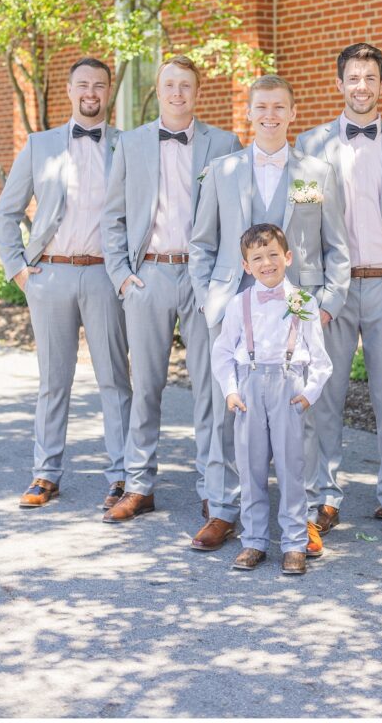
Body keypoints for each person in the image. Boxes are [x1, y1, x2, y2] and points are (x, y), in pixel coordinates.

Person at [189, 74, 350, 553]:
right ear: (249, 112)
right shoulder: (223, 169)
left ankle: (303, 518)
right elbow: (201, 244)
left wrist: (324, 306)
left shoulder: (317, 173)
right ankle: (223, 510)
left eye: (279, 107)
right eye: (262, 107)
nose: (270, 115)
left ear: (292, 113)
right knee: (224, 409)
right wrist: (208, 299)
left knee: (300, 413)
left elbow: (336, 247)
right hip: (233, 308)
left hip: (297, 311)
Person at [296, 43, 382, 542]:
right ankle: (323, 499)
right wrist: (308, 295)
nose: (361, 86)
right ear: (339, 84)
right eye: (352, 77)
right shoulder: (310, 145)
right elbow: (301, 226)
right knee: (323, 397)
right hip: (332, 292)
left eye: (369, 77)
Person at [100, 55, 241, 524]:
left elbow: (236, 218)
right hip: (150, 276)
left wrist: (227, 280)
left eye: (186, 85)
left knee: (211, 384)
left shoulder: (224, 144)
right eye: (170, 85)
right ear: (157, 91)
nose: (178, 93)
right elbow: (113, 216)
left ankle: (214, 486)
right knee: (147, 385)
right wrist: (122, 275)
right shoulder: (132, 143)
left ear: (197, 93)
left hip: (205, 280)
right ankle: (139, 483)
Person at [0, 57, 132, 510]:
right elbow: (7, 212)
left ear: (108, 91)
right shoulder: (40, 145)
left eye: (99, 85)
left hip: (103, 275)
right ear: (70, 92)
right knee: (54, 380)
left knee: (114, 378)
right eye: (83, 85)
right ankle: (45, 473)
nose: (91, 92)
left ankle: (122, 476)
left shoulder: (128, 146)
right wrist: (18, 268)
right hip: (49, 274)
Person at [212, 224, 333, 575]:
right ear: (246, 265)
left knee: (291, 467)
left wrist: (308, 395)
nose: (267, 263)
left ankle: (295, 542)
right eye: (257, 258)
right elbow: (222, 353)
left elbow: (321, 360)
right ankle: (254, 540)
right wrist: (231, 391)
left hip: (288, 387)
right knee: (250, 468)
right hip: (249, 385)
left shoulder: (304, 302)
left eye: (273, 255)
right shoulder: (239, 304)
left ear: (288, 257)